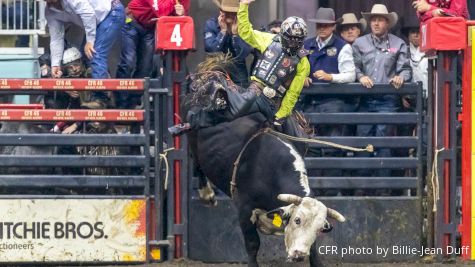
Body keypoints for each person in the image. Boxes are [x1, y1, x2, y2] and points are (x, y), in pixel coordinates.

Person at [168, 0, 310, 136]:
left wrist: (281, 115)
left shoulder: (303, 62)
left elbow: (293, 93)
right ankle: (190, 124)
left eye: (296, 40)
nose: (292, 43)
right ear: (283, 34)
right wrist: (244, 7)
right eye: (289, 38)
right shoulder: (269, 40)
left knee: (287, 130)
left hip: (273, 101)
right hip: (255, 91)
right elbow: (247, 33)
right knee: (234, 110)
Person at [353, 4, 412, 177]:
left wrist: (401, 77)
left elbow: (406, 69)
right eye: (373, 20)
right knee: (363, 142)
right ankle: (362, 187)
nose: (376, 23)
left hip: (388, 100)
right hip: (364, 99)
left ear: (387, 23)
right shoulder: (359, 43)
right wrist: (360, 76)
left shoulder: (398, 43)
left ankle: (383, 187)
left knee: (384, 143)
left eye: (380, 20)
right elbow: (353, 67)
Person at [44, 0, 125, 109]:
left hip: (112, 12)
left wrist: (90, 41)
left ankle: (100, 98)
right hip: (98, 20)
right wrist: (55, 64)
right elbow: (56, 38)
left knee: (94, 53)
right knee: (86, 57)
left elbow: (88, 14)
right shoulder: (50, 12)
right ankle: (103, 97)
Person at [115, 0, 189, 109]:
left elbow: (182, 19)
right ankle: (121, 103)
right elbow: (161, 11)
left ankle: (133, 103)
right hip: (132, 20)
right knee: (128, 62)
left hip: (150, 27)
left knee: (145, 68)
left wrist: (182, 13)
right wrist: (173, 3)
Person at [204, 0, 252, 87]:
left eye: (233, 13)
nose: (230, 15)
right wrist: (223, 32)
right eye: (227, 12)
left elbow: (245, 53)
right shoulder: (211, 24)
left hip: (238, 74)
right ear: (221, 11)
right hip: (216, 71)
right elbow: (211, 50)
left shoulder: (244, 27)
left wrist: (235, 35)